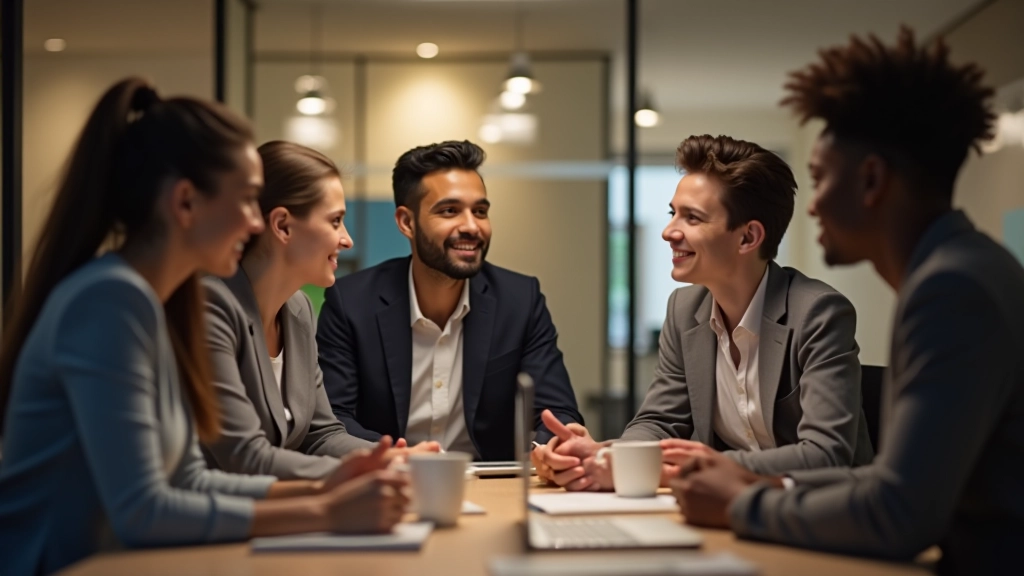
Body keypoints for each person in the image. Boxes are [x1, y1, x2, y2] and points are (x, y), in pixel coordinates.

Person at [0, 78, 408, 576]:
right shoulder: (111, 300)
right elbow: (143, 511)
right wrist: (324, 509)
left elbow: (189, 478)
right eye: (244, 201)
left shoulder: (153, 302)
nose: (255, 224)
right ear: (186, 203)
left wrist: (334, 482)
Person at [669, 28, 1023, 576]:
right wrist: (757, 482)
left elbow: (900, 513)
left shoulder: (951, 291)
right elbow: (891, 484)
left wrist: (741, 503)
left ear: (871, 181)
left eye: (820, 178)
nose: (811, 207)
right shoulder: (961, 269)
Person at [532, 134, 872, 491]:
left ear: (747, 237)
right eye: (672, 213)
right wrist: (601, 456)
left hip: (825, 515)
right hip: (728, 511)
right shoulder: (684, 310)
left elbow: (826, 453)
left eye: (691, 218)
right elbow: (659, 422)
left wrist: (683, 471)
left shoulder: (817, 313)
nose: (668, 231)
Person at [316, 140, 583, 461]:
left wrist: (549, 447)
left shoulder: (520, 300)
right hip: (392, 480)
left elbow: (557, 411)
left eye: (480, 211)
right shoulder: (352, 302)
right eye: (449, 211)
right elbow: (334, 418)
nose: (471, 226)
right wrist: (394, 457)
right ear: (406, 222)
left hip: (492, 485)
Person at [202, 140, 439, 480]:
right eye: (336, 221)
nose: (347, 240)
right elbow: (243, 457)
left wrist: (390, 458)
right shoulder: (211, 305)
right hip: (214, 526)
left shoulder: (298, 309)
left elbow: (320, 434)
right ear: (282, 225)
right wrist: (361, 470)